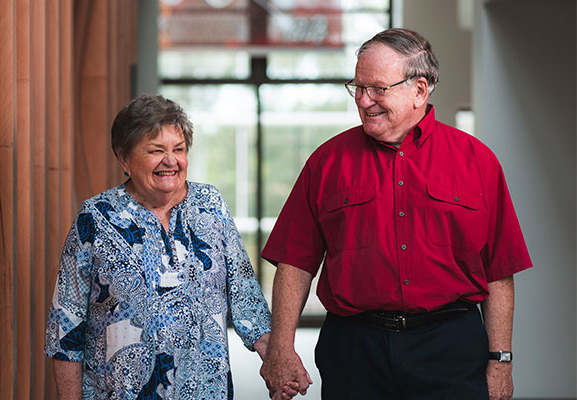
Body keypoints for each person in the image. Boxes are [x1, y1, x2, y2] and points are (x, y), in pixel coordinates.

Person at [259, 28, 532, 400]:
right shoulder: (327, 162)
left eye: (377, 88)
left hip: (450, 347)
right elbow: (295, 262)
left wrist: (500, 361)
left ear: (419, 90)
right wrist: (281, 346)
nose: (364, 100)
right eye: (357, 87)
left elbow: (499, 271)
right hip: (355, 349)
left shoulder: (477, 162)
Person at [45, 94, 272, 400]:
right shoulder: (95, 218)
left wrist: (278, 359)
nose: (171, 160)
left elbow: (245, 295)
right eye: (156, 151)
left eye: (178, 149)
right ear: (124, 159)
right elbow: (65, 326)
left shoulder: (210, 206)